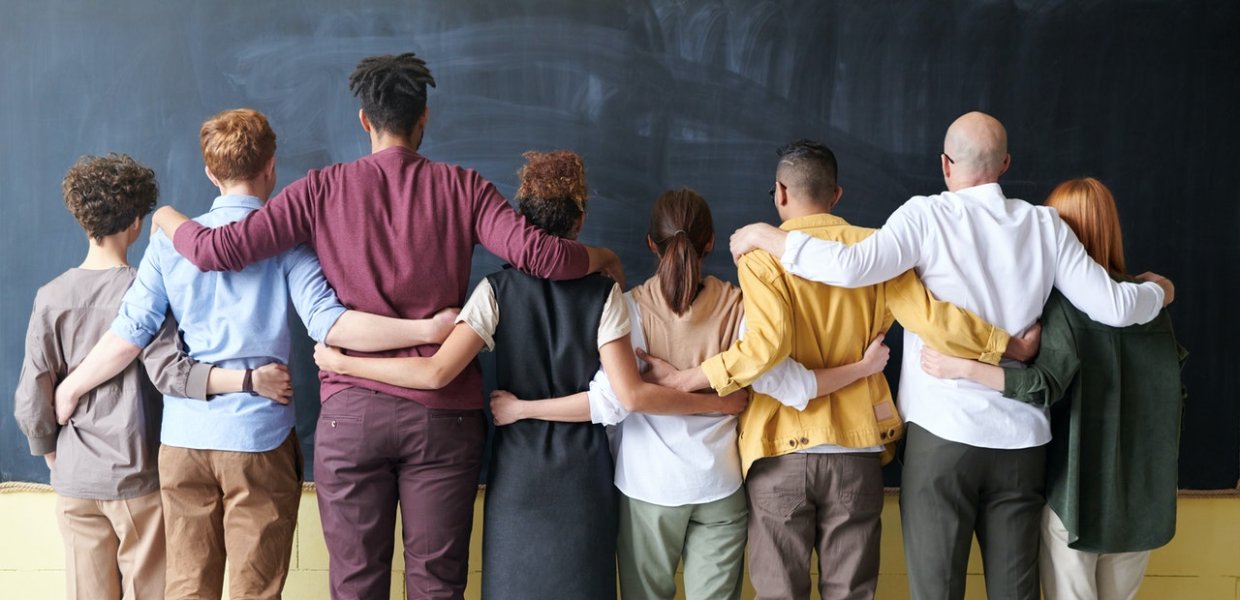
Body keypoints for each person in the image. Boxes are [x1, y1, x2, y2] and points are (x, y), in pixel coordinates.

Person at [150, 54, 623, 600]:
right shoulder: (464, 188)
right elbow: (544, 257)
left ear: (363, 120)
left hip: (351, 419)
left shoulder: (319, 189)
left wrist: (164, 216)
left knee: (356, 586)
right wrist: (604, 255)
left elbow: (218, 250)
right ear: (425, 118)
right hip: (443, 417)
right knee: (438, 586)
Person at [728, 113, 1174, 600]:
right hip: (1021, 441)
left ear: (945, 164)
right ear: (1006, 163)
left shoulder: (924, 216)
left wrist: (762, 236)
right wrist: (1157, 291)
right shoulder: (1045, 226)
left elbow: (850, 266)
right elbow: (1114, 307)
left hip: (943, 437)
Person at [53, 109, 455, 600]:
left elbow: (129, 335)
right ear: (271, 166)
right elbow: (331, 324)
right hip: (257, 439)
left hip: (183, 442)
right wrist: (426, 328)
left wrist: (71, 387)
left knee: (186, 587)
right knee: (256, 590)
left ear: (209, 172)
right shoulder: (288, 244)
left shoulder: (167, 246)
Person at [313, 151, 744, 600]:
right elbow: (623, 396)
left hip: (519, 474)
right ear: (579, 222)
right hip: (584, 475)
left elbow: (436, 371)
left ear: (520, 220)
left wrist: (345, 363)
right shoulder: (607, 295)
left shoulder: (495, 292)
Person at [643, 140, 1032, 600]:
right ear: (837, 194)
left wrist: (688, 379)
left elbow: (765, 348)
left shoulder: (760, 255)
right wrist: (1004, 344)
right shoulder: (878, 248)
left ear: (780, 193)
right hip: (857, 448)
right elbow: (933, 319)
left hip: (779, 451)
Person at [488, 186, 893, 600]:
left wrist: (660, 382)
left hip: (648, 489)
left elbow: (611, 400)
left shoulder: (628, 307)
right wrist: (719, 400)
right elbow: (777, 382)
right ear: (712, 242)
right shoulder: (740, 304)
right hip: (720, 484)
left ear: (650, 243)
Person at [14, 153, 289, 600]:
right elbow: (170, 372)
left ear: (82, 219)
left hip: (73, 480)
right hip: (135, 477)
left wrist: (50, 454)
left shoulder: (50, 296)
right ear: (138, 224)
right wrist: (246, 381)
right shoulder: (144, 288)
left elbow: (32, 393)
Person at [919, 177, 1187, 600]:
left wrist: (964, 368)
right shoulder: (1150, 307)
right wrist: (1161, 288)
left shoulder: (1061, 305)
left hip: (1077, 495)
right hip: (1142, 498)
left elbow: (1043, 384)